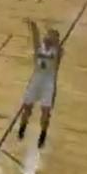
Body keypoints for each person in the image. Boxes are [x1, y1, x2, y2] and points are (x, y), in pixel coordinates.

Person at [18, 19, 61, 148]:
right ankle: (22, 128)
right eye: (47, 35)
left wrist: (53, 35)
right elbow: (35, 36)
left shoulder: (57, 51)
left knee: (45, 112)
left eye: (51, 36)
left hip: (48, 84)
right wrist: (33, 25)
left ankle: (43, 134)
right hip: (36, 81)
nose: (48, 38)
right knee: (27, 108)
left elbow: (57, 44)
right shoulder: (39, 48)